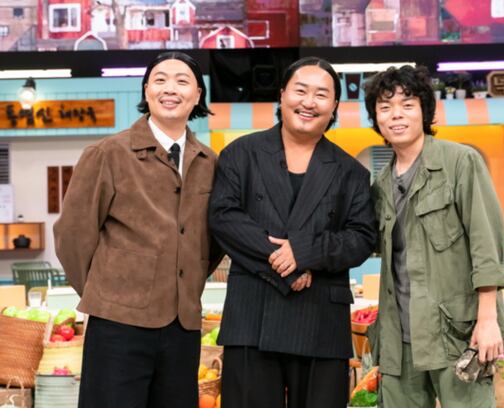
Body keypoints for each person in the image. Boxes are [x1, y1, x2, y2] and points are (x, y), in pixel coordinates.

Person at [54, 51, 222, 408]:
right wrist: (108, 293)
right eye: (159, 80)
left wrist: (185, 278)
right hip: (117, 324)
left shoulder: (210, 162)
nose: (170, 89)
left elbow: (213, 239)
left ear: (197, 96)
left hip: (182, 325)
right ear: (146, 91)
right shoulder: (109, 153)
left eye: (182, 81)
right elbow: (72, 235)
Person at [208, 57, 377, 408]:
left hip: (320, 319)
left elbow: (362, 238)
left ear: (334, 106)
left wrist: (304, 251)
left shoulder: (350, 171)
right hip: (252, 314)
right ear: (282, 95)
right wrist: (284, 264)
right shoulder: (241, 154)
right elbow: (224, 218)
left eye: (321, 94)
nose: (309, 102)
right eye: (300, 91)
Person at [364, 65, 504, 407]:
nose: (396, 115)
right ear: (376, 118)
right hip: (399, 340)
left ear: (424, 111)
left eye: (407, 105)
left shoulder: (459, 162)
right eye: (385, 107)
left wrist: (488, 320)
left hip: (456, 333)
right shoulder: (380, 185)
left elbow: (486, 245)